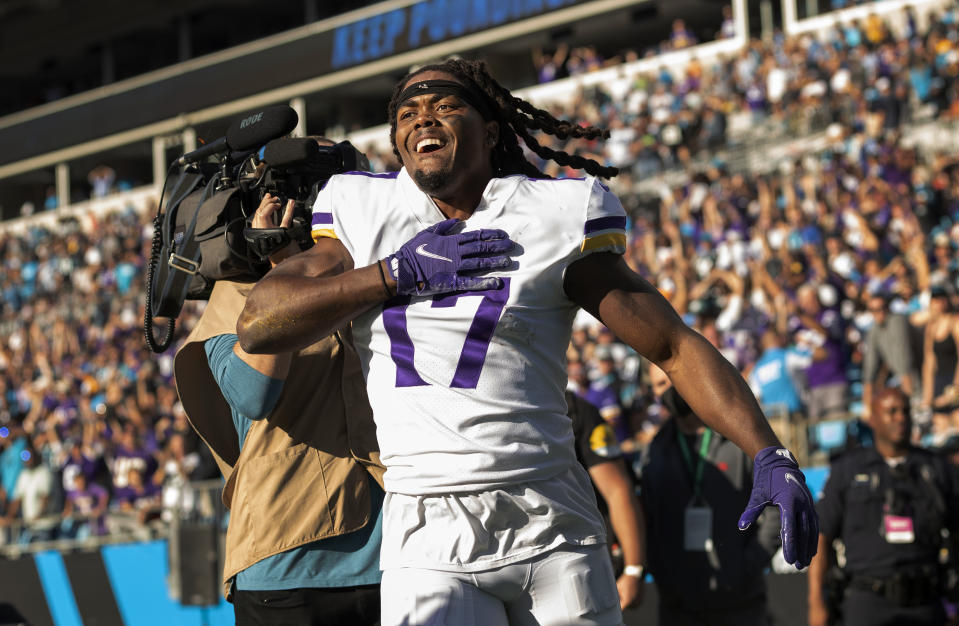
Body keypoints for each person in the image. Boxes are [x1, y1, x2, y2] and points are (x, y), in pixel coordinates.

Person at [237, 58, 818, 625]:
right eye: (408, 113)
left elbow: (670, 345)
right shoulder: (365, 212)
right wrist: (392, 275)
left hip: (550, 516)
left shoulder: (553, 212)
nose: (423, 119)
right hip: (426, 526)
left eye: (445, 106)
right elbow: (259, 324)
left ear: (491, 131)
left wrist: (768, 450)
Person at [174, 179, 385, 624]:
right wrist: (283, 273)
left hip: (396, 555)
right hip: (287, 563)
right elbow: (254, 394)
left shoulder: (363, 277)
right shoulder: (229, 301)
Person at [641, 364, 780, 626]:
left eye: (673, 377)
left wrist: (748, 564)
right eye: (661, 384)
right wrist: (662, 572)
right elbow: (648, 520)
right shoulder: (656, 449)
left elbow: (777, 507)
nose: (670, 388)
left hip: (740, 605)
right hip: (678, 608)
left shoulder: (740, 437)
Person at [807, 386, 959, 626]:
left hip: (926, 602)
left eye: (906, 411)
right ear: (873, 419)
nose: (901, 418)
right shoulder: (848, 470)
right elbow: (822, 537)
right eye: (892, 411)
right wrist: (816, 603)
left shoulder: (936, 469)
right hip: (867, 602)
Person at [566, 390, 646, 611]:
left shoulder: (574, 409)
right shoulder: (466, 399)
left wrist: (633, 569)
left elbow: (618, 491)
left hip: (577, 561)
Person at [861, 292, 919, 420]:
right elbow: (870, 368)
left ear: (888, 308)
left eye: (882, 308)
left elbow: (904, 363)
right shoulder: (874, 329)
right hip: (904, 382)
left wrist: (909, 406)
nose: (879, 312)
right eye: (874, 310)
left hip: (917, 383)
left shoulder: (897, 321)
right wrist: (867, 404)